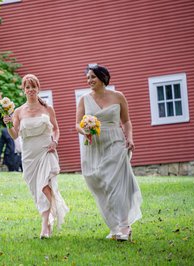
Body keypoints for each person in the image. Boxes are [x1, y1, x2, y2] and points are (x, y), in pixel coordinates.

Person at [76, 64, 142, 241]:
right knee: (97, 183)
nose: (89, 80)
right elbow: (77, 124)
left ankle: (124, 227)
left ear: (103, 77)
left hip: (115, 142)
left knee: (115, 183)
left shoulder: (118, 96)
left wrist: (130, 138)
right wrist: (85, 130)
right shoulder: (83, 99)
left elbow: (126, 121)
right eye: (88, 78)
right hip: (93, 145)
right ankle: (114, 226)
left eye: (93, 77)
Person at [3, 74, 69, 239]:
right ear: (23, 90)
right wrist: (9, 123)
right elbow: (14, 135)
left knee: (44, 186)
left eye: (33, 87)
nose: (31, 90)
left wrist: (55, 141)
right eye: (28, 87)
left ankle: (45, 225)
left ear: (38, 89)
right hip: (29, 155)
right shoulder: (18, 111)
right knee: (37, 189)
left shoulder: (47, 108)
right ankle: (50, 215)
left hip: (46, 150)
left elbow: (56, 128)